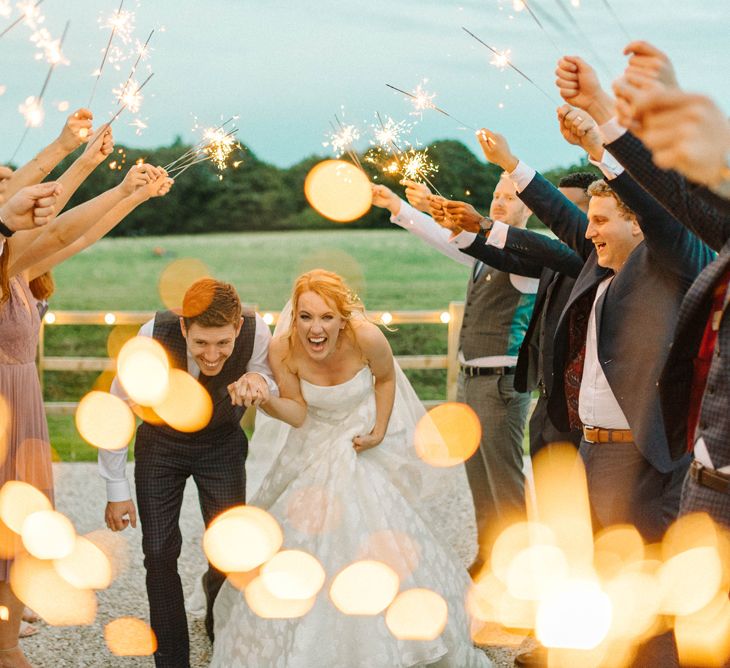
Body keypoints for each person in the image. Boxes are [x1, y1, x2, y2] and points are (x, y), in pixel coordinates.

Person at [211, 269, 491, 668]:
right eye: (306, 316)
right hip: (312, 444)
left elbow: (386, 377)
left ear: (343, 317)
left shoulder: (367, 336)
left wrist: (378, 428)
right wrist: (266, 401)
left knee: (374, 524)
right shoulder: (283, 349)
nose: (315, 327)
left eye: (326, 316)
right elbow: (297, 412)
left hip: (360, 437)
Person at [100, 278, 277, 668]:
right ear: (183, 327)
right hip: (161, 448)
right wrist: (116, 488)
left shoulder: (258, 330)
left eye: (223, 344)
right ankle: (171, 657)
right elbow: (115, 408)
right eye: (200, 343)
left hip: (222, 446)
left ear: (236, 329)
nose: (212, 355)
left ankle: (222, 635)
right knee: (159, 551)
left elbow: (271, 377)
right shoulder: (152, 335)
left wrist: (259, 379)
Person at [372, 174, 538, 573]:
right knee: (477, 475)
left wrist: (449, 219)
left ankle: (520, 571)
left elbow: (472, 239)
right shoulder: (485, 253)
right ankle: (488, 553)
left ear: (529, 207)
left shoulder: (529, 256)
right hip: (470, 380)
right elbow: (447, 239)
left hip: (500, 384)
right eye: (495, 195)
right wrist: (400, 207)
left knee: (504, 479)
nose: (499, 203)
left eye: (509, 198)